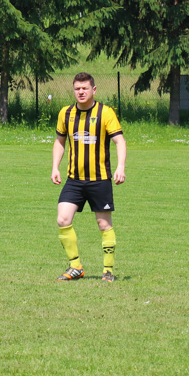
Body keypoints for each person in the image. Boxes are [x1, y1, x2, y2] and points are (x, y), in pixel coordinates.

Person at [51, 72, 127, 282]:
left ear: (94, 90)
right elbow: (59, 141)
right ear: (73, 90)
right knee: (62, 219)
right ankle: (76, 267)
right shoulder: (65, 113)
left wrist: (120, 167)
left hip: (100, 179)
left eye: (85, 88)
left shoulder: (106, 113)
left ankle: (108, 271)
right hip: (74, 180)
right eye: (77, 88)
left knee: (104, 225)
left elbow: (119, 141)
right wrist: (55, 167)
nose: (81, 92)